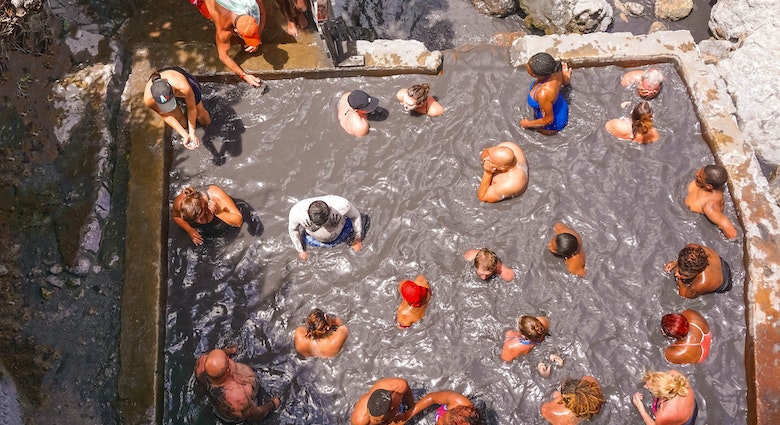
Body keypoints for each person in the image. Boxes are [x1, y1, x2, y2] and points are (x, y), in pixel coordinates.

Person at [194, 347, 280, 422]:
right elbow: (254, 414)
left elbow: (218, 355)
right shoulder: (237, 397)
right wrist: (272, 404)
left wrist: (231, 350)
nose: (230, 359)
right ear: (228, 369)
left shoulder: (201, 364)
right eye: (228, 359)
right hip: (236, 411)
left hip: (219, 402)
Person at [200, 0, 268, 88]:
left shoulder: (251, 4)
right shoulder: (223, 30)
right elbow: (223, 56)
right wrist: (245, 76)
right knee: (209, 14)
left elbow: (262, 12)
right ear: (235, 30)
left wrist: (258, 37)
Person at [143, 68, 212, 149]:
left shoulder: (183, 87)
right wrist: (185, 135)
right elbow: (166, 116)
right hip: (170, 91)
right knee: (180, 122)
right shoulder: (148, 100)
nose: (170, 106)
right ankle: (186, 130)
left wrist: (192, 132)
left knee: (201, 114)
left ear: (174, 91)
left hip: (183, 83)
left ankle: (209, 127)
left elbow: (192, 109)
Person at [288, 195, 363, 261]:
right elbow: (293, 230)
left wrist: (357, 238)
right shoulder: (297, 213)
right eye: (317, 225)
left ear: (330, 209)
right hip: (315, 242)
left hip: (344, 232)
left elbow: (355, 216)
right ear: (307, 212)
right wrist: (300, 251)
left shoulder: (341, 205)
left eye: (326, 222)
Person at [171, 185, 243, 245]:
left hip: (224, 225)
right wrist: (189, 229)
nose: (200, 220)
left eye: (200, 215)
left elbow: (238, 221)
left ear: (202, 204)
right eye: (195, 220)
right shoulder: (179, 204)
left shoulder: (215, 195)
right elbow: (176, 217)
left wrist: (219, 212)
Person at [520, 52, 571, 135]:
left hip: (553, 124)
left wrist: (527, 124)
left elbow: (548, 120)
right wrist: (566, 78)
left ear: (541, 74)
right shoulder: (556, 71)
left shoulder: (543, 93)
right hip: (559, 104)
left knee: (541, 133)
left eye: (531, 74)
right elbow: (564, 81)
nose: (529, 74)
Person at [684, 165, 738, 239]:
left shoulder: (709, 206)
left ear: (709, 186)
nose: (696, 173)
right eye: (700, 171)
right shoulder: (711, 181)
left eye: (700, 176)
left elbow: (732, 233)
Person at [664, 243, 732, 298]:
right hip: (719, 262)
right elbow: (687, 260)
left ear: (697, 272)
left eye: (685, 275)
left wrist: (679, 280)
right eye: (679, 269)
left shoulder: (702, 283)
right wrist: (677, 263)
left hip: (724, 282)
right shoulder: (691, 248)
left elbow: (684, 294)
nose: (677, 274)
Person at [632, 370, 698, 425]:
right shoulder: (676, 376)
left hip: (685, 422)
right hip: (691, 406)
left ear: (660, 395)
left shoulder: (664, 414)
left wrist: (640, 408)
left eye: (649, 389)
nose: (645, 386)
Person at [350, 377, 415, 425]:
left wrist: (411, 409)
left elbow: (407, 392)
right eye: (375, 420)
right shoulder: (358, 420)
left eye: (377, 420)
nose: (374, 421)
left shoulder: (398, 386)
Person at [399, 390, 482, 424]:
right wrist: (407, 415)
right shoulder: (457, 401)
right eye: (443, 417)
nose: (439, 421)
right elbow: (432, 398)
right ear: (454, 408)